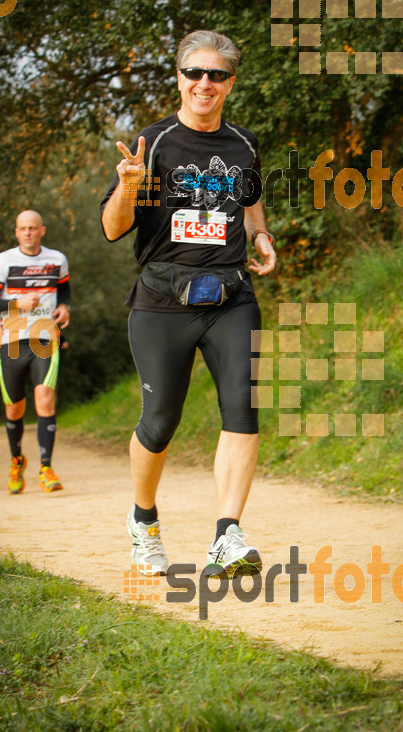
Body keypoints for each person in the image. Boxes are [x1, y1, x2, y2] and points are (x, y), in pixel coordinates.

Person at [101, 30, 276, 577]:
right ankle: (144, 520)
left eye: (217, 75)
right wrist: (129, 187)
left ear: (230, 82)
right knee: (159, 421)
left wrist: (261, 234)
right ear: (178, 78)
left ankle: (227, 534)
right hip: (161, 300)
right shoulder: (153, 144)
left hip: (230, 295)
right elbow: (112, 229)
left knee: (243, 411)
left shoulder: (243, 144)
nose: (205, 83)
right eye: (194, 73)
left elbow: (249, 197)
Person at [0, 210, 70, 494]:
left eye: (33, 228)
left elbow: (64, 290)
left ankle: (46, 467)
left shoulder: (57, 259)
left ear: (42, 231)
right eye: (23, 229)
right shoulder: (4, 261)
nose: (28, 233)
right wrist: (17, 305)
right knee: (14, 408)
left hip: (44, 337)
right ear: (16, 232)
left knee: (44, 398)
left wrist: (65, 307)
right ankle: (17, 460)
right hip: (11, 340)